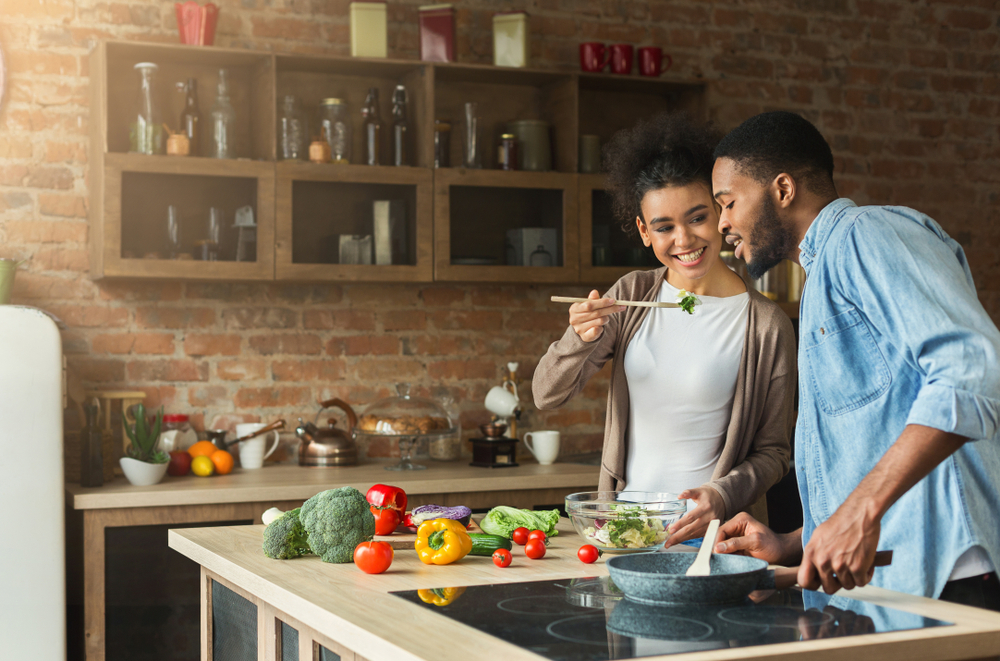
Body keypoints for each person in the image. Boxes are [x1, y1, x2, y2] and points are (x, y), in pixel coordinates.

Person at [711, 110, 1000, 610]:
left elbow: (972, 370)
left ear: (782, 189)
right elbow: (873, 446)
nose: (722, 224)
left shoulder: (866, 234)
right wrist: (793, 543)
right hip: (891, 584)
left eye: (728, 202)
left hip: (949, 580)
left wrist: (857, 513)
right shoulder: (821, 276)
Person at [533, 113, 797, 545]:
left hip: (709, 534)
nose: (684, 240)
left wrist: (721, 494)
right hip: (623, 529)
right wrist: (579, 339)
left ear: (720, 213)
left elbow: (775, 453)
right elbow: (547, 394)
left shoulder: (766, 325)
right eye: (664, 227)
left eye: (697, 218)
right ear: (643, 231)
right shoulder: (630, 295)